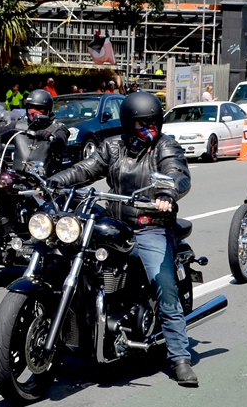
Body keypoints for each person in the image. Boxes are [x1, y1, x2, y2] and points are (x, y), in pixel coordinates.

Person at [46, 92, 200, 388]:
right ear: (129, 124)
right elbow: (85, 169)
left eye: (154, 123)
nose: (149, 130)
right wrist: (55, 181)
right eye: (143, 124)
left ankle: (180, 357)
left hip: (150, 226)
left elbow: (177, 172)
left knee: (164, 285)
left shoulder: (164, 147)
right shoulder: (113, 147)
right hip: (114, 223)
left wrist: (167, 192)